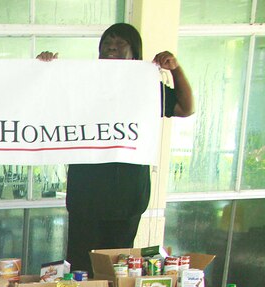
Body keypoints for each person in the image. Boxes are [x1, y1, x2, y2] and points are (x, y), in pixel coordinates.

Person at [38, 23, 194, 273]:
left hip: (127, 196)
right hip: (86, 196)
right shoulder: (81, 84)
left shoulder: (145, 88)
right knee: (80, 265)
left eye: (120, 43)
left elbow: (186, 109)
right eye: (106, 43)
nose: (111, 47)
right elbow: (42, 102)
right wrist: (43, 71)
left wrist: (175, 71)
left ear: (135, 52)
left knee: (116, 268)